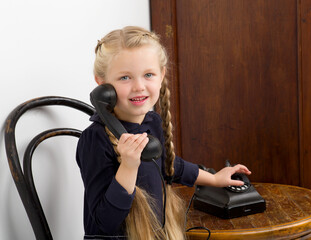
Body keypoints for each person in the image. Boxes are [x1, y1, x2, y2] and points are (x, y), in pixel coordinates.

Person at [76, 26, 251, 240]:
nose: (139, 86)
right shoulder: (94, 140)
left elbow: (170, 166)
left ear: (162, 75)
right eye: (125, 78)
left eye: (148, 74)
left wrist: (214, 179)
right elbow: (105, 223)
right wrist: (129, 166)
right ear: (102, 85)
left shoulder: (152, 122)